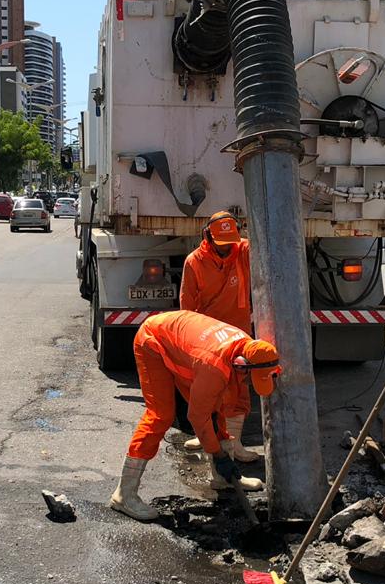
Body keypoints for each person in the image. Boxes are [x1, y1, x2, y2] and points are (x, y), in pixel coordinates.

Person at [110, 310, 281, 521]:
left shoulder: (246, 347)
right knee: (161, 415)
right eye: (249, 379)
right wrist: (218, 454)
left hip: (185, 345)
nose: (248, 385)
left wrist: (221, 450)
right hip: (153, 340)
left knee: (214, 402)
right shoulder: (213, 366)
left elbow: (214, 404)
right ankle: (124, 494)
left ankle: (222, 479)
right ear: (241, 365)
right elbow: (197, 417)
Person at [180, 211, 262, 462]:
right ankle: (207, 434)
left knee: (238, 389)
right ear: (208, 237)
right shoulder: (194, 262)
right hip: (208, 338)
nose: (227, 249)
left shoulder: (243, 251)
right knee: (208, 390)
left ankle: (234, 443)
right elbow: (187, 307)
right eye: (221, 243)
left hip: (238, 336)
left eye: (231, 242)